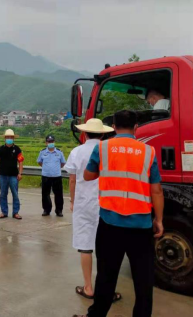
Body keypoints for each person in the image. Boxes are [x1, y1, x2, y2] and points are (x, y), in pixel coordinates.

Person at [73, 110, 164, 317]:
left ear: (113, 127)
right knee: (143, 280)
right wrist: (158, 220)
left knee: (106, 276)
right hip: (141, 225)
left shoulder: (102, 148)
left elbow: (88, 176)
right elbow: (157, 190)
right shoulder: (148, 151)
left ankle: (96, 314)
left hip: (110, 224)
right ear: (136, 127)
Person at [64, 119, 120, 302]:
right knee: (107, 248)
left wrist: (73, 201)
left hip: (84, 204)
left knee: (85, 246)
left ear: (84, 133)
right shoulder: (109, 151)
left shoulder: (77, 152)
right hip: (107, 203)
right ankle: (107, 290)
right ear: (103, 134)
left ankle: (88, 287)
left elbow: (72, 180)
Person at [0, 129, 24, 220]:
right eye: (8, 137)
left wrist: (20, 173)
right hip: (2, 175)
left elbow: (21, 161)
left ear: (13, 138)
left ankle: (15, 212)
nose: (9, 139)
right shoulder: (0, 149)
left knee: (15, 194)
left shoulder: (17, 149)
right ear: (5, 138)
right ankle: (4, 212)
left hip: (13, 176)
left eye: (11, 137)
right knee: (3, 194)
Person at [37, 135, 66, 216]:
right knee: (45, 194)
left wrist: (55, 168)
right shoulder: (42, 152)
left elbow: (63, 163)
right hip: (46, 176)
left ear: (54, 142)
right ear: (46, 143)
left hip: (57, 176)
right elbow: (39, 162)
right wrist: (47, 168)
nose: (50, 143)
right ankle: (46, 210)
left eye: (52, 141)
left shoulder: (59, 152)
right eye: (49, 142)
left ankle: (59, 210)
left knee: (58, 194)